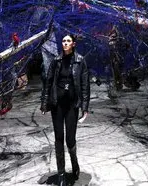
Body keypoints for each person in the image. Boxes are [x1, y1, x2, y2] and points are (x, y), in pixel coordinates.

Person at [41, 34, 90, 186]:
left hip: (71, 106)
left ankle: (74, 163)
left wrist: (85, 108)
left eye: (68, 41)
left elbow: (85, 86)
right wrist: (44, 103)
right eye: (63, 41)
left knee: (70, 139)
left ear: (73, 44)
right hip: (57, 105)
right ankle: (61, 173)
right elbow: (48, 82)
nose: (65, 43)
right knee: (58, 139)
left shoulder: (80, 60)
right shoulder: (56, 61)